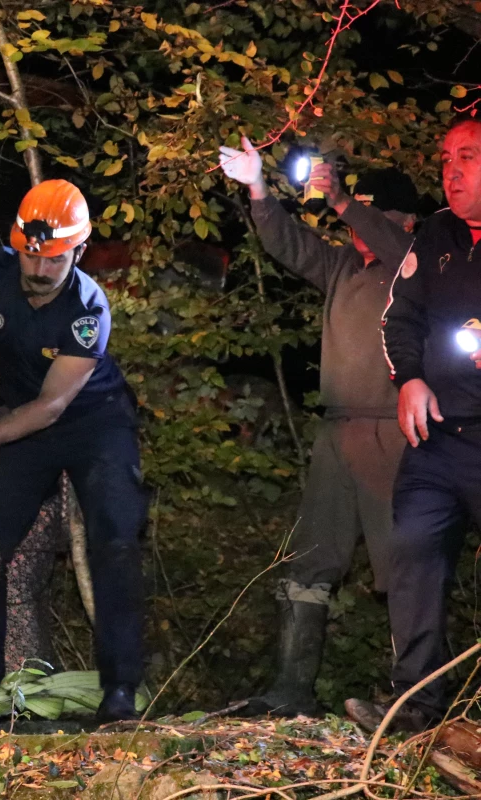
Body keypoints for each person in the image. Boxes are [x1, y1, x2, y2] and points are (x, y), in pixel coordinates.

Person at [218, 137, 417, 716]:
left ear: (402, 220)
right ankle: (290, 689)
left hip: (395, 433)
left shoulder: (417, 266)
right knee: (309, 559)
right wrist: (258, 187)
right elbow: (286, 243)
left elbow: (396, 244)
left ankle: (413, 701)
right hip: (337, 434)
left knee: (402, 566)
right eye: (359, 214)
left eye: (373, 215)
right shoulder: (343, 267)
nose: (360, 225)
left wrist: (340, 200)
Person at [0, 179, 148, 722]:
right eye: (31, 258)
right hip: (19, 420)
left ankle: (120, 688)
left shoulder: (88, 309)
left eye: (52, 261)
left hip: (91, 422)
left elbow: (53, 407)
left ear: (78, 252)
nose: (37, 271)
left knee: (117, 539)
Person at [346, 116, 481, 732]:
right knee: (413, 550)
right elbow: (399, 321)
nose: (452, 169)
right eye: (447, 157)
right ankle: (417, 709)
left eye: (469, 156)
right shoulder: (435, 235)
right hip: (437, 438)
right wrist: (410, 379)